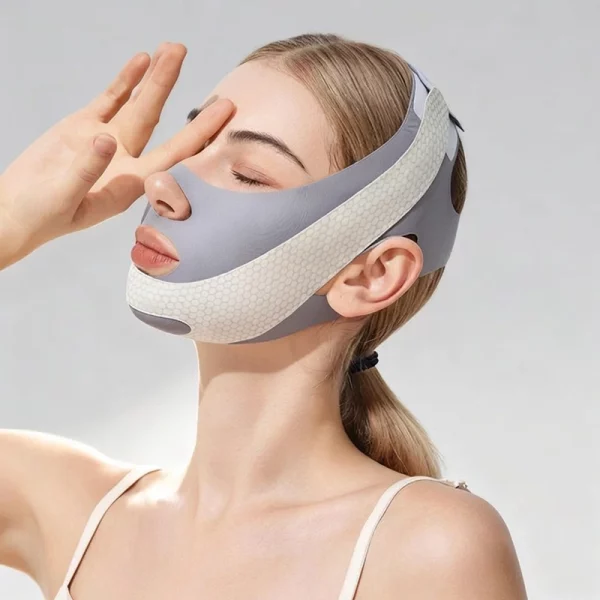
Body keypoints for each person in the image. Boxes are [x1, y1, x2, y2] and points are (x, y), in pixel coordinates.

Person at [0, 36, 528, 599]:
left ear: (372, 275)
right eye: (195, 142)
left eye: (249, 173)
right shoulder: (67, 507)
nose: (161, 184)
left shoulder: (429, 547)